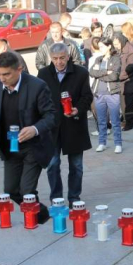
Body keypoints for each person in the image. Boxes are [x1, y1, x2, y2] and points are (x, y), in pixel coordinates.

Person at [0, 52, 56, 224]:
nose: (2, 78)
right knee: (10, 190)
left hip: (33, 146)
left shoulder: (37, 86)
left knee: (27, 190)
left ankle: (35, 221)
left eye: (6, 74)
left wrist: (35, 129)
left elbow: (51, 116)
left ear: (19, 69)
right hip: (9, 146)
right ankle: (43, 215)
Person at [37, 43, 93, 206]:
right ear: (50, 58)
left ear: (68, 57)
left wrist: (78, 109)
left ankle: (74, 197)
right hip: (52, 127)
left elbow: (87, 96)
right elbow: (39, 99)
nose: (59, 62)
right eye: (55, 59)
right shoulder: (44, 73)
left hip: (74, 126)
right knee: (52, 164)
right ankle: (56, 197)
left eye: (62, 58)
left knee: (76, 165)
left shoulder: (80, 73)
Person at [89, 38, 123, 153]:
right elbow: (91, 72)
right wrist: (105, 72)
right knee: (101, 120)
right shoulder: (98, 59)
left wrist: (99, 74)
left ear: (109, 46)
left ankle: (118, 143)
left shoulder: (116, 58)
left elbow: (114, 76)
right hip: (98, 93)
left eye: (102, 46)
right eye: (99, 47)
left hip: (112, 93)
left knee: (115, 120)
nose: (100, 49)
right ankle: (102, 142)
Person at [113, 33, 133, 131]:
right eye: (114, 45)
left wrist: (116, 76)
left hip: (129, 80)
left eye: (117, 44)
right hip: (121, 80)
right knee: (125, 102)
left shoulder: (131, 51)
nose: (116, 47)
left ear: (122, 41)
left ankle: (129, 123)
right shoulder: (119, 49)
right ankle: (128, 118)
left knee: (128, 103)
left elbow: (130, 68)